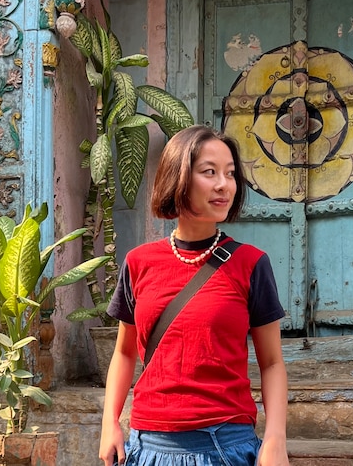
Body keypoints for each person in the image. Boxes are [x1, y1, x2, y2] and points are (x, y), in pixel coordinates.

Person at [98, 125, 290, 466]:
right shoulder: (138, 263)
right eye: (209, 172)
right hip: (147, 446)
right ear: (179, 178)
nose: (223, 184)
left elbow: (272, 363)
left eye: (230, 174)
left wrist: (276, 438)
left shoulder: (251, 264)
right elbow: (125, 354)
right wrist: (109, 422)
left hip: (225, 446)